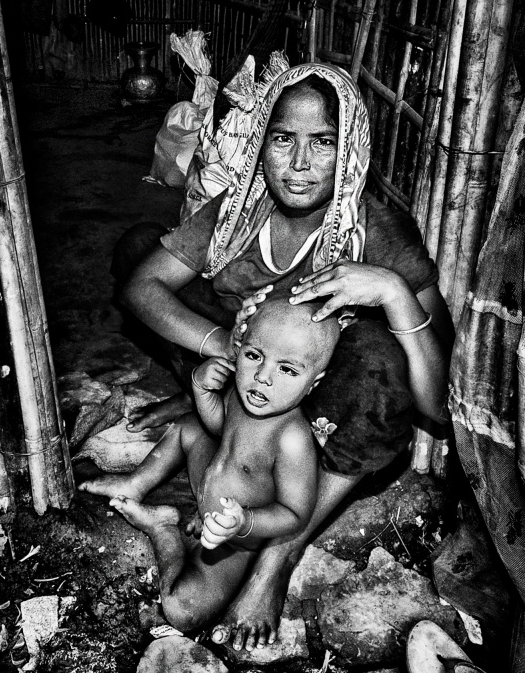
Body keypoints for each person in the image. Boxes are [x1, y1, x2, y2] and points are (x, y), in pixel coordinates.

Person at [111, 63, 454, 650]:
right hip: (244, 363)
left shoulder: (376, 229)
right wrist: (227, 347)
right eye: (282, 138)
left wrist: (394, 293)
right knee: (140, 249)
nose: (298, 165)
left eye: (323, 143)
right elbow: (142, 287)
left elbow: (437, 408)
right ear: (259, 139)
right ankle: (206, 400)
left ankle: (280, 556)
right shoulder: (238, 211)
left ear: (349, 149)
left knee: (382, 360)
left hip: (318, 389)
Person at [79, 296, 340, 632]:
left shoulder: (291, 438)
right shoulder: (245, 391)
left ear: (313, 383)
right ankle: (137, 482)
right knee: (188, 427)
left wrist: (242, 523)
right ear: (239, 349)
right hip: (210, 482)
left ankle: (162, 528)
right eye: (254, 355)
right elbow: (219, 427)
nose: (262, 377)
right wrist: (201, 390)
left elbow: (294, 515)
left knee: (182, 609)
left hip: (236, 540)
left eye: (287, 369)